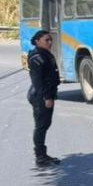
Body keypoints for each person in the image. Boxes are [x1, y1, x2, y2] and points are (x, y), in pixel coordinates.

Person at [27, 30, 61, 167]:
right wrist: (47, 97)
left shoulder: (45, 54)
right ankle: (40, 157)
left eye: (50, 39)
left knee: (45, 124)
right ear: (37, 41)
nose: (50, 42)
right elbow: (38, 81)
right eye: (46, 40)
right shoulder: (37, 57)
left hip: (45, 94)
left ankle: (42, 155)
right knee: (41, 126)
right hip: (40, 96)